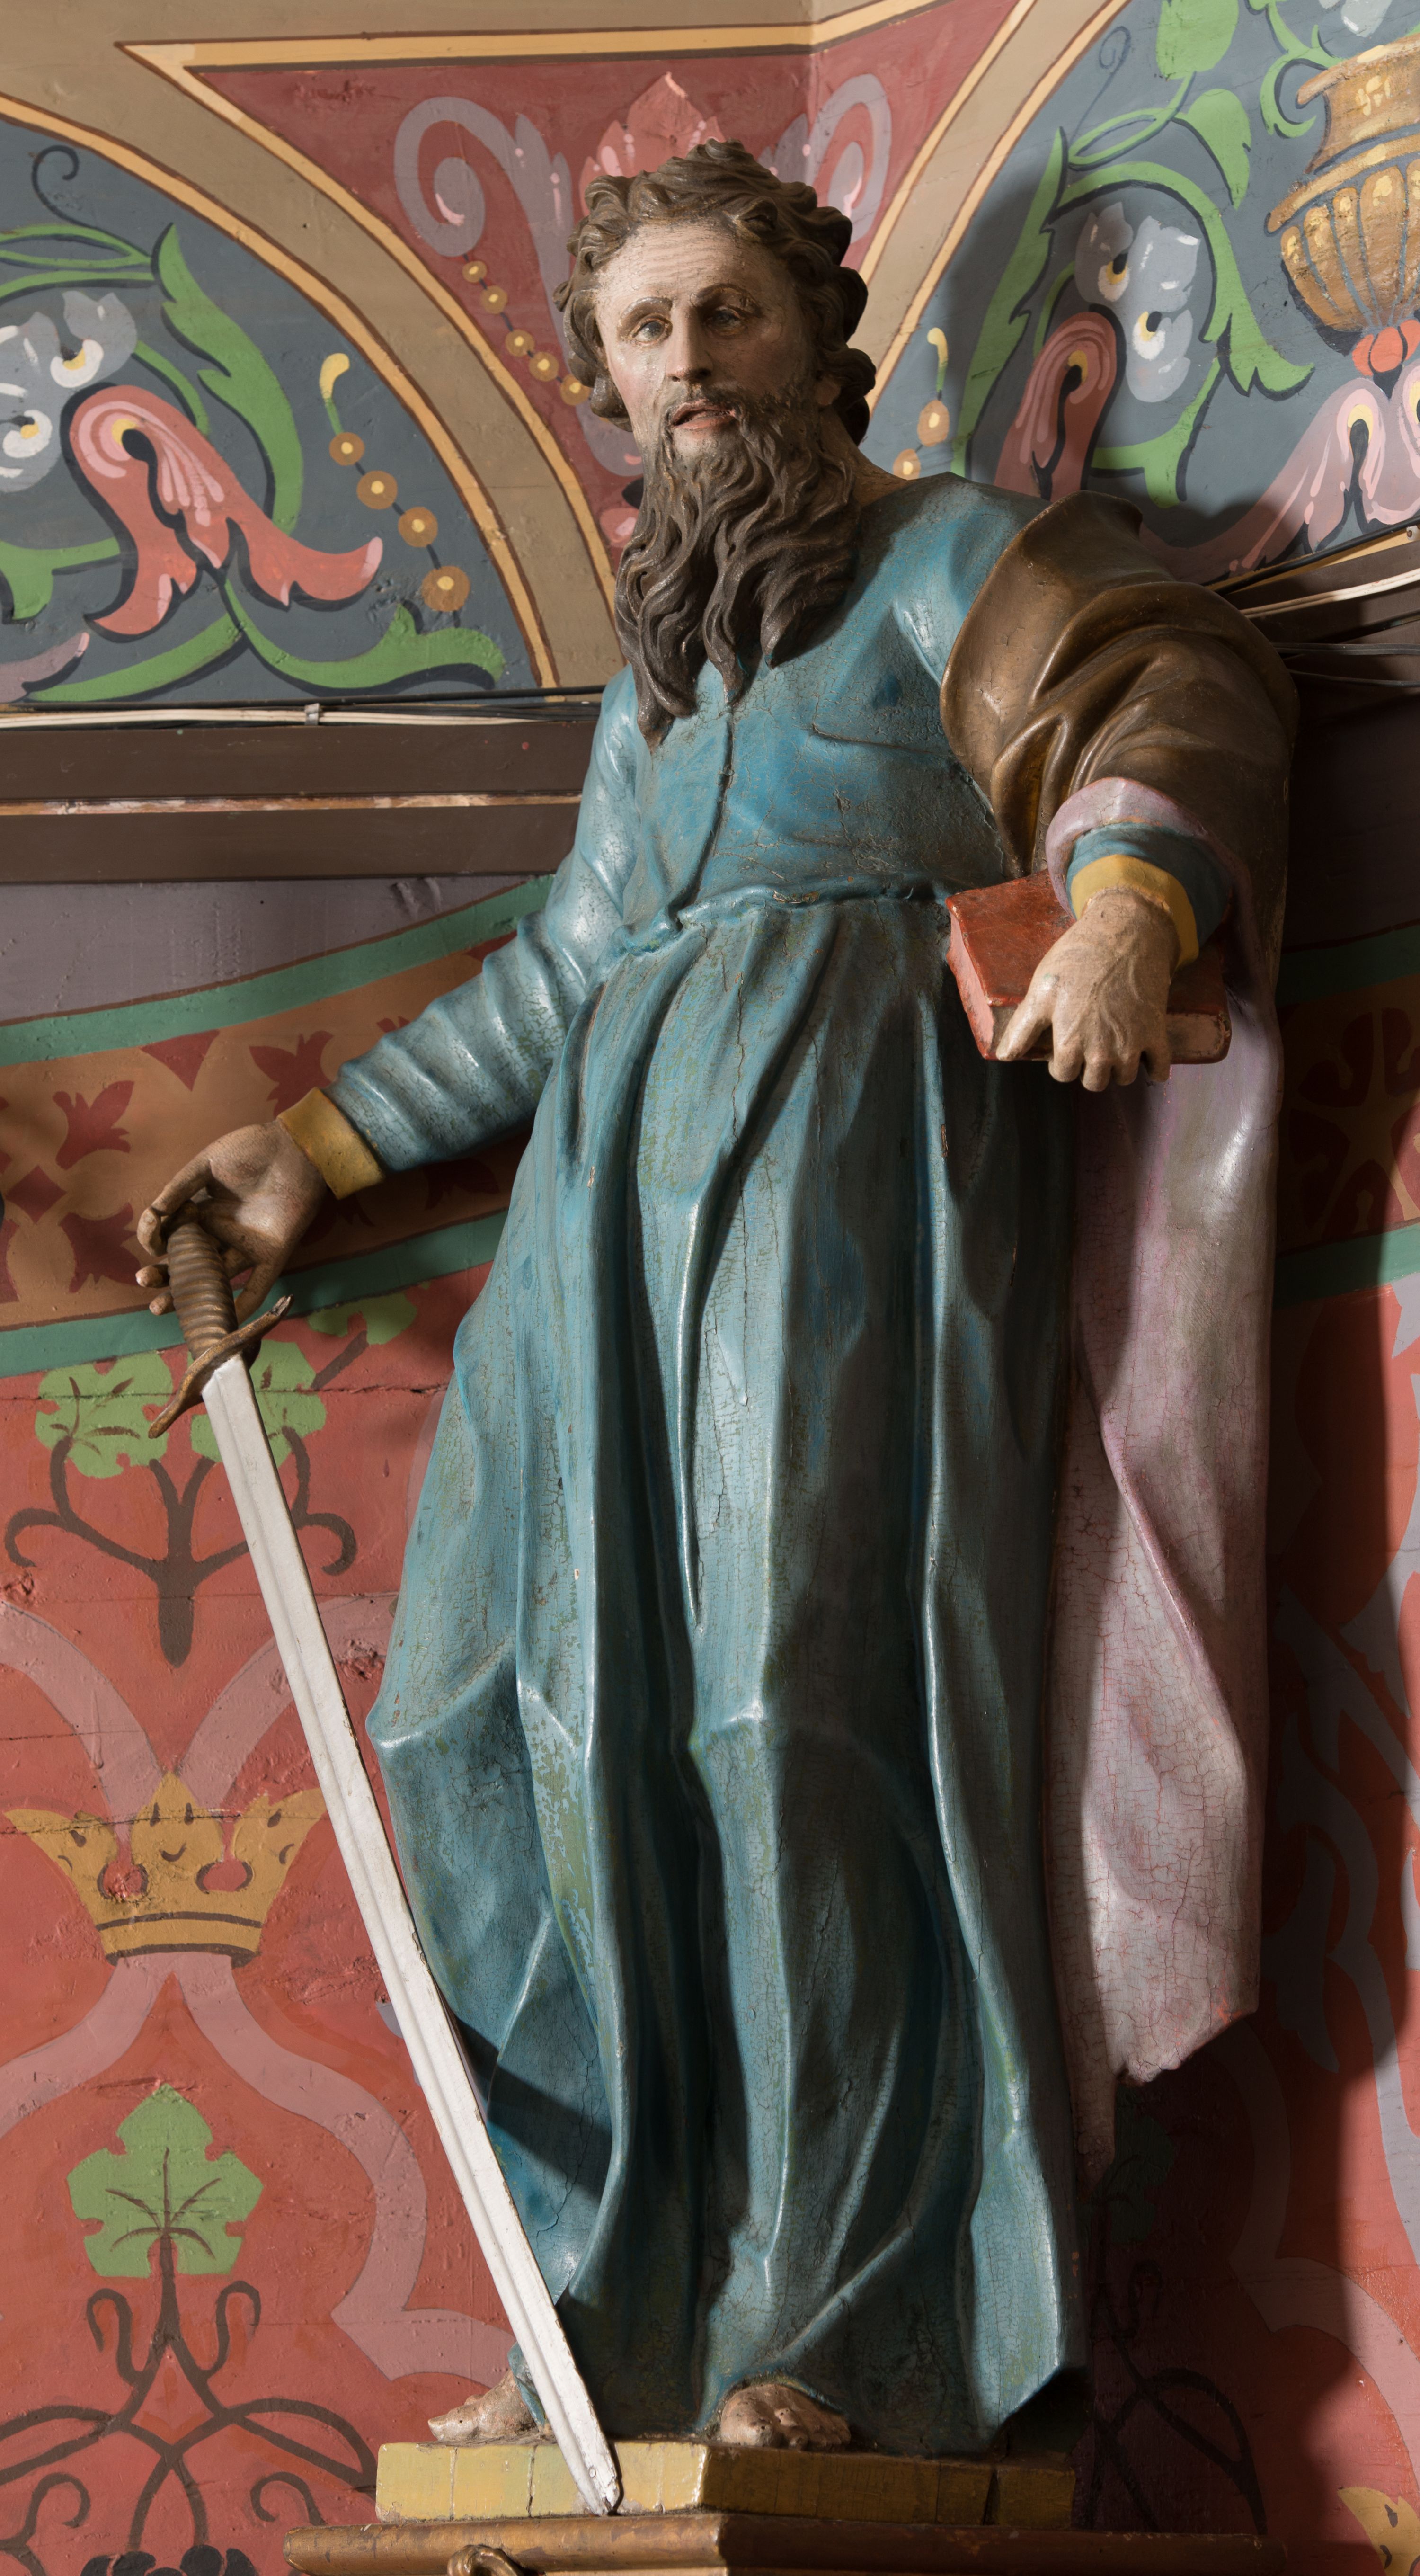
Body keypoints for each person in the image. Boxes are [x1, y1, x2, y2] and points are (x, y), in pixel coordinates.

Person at [136, 142, 1295, 2460]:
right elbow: (569, 965)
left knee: (797, 1722)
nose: (688, 363)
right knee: (495, 1721)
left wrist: (1126, 907)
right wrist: (317, 1149)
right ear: (608, 384)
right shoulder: (664, 685)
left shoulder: (945, 560)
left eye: (726, 314)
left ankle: (844, 2324)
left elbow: (1158, 683)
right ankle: (606, 2302)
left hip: (845, 1195)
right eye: (645, 333)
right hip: (602, 1248)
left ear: (815, 345)